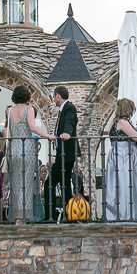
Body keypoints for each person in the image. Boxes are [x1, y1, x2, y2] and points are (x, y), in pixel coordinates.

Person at [2, 85, 51, 224]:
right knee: (27, 184)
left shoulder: (10, 110)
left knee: (15, 184)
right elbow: (32, 127)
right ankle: (24, 217)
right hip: (27, 148)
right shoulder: (29, 109)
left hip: (14, 148)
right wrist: (47, 135)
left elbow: (7, 132)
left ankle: (17, 217)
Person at [104, 97, 137, 221]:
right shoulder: (123, 122)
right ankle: (131, 214)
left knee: (118, 185)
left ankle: (118, 213)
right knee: (129, 184)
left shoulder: (113, 122)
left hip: (116, 153)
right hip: (125, 154)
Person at [49, 86, 79, 221]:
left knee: (50, 183)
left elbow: (70, 121)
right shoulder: (64, 108)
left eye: (54, 97)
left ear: (58, 96)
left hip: (66, 153)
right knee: (65, 183)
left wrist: (67, 132)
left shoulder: (68, 107)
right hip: (64, 153)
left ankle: (49, 216)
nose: (54, 99)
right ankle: (69, 214)